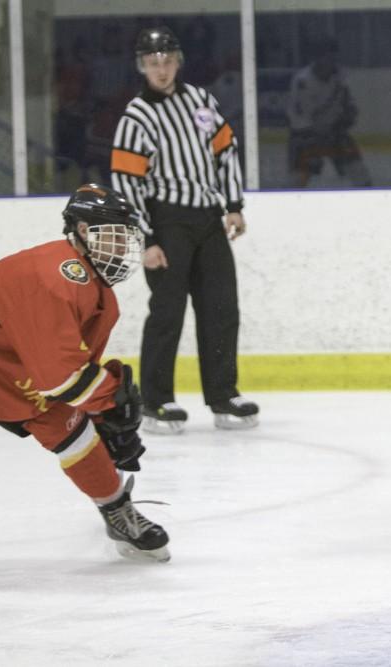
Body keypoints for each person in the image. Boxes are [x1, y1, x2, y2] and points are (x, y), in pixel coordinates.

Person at [0, 184, 170, 563]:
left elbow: (70, 382)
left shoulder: (98, 294)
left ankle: (117, 512)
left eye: (126, 238)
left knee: (73, 429)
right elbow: (62, 378)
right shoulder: (59, 276)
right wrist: (112, 399)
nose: (122, 248)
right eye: (115, 236)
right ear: (83, 231)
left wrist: (101, 412)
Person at [110, 26, 258, 434]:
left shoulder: (200, 101)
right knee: (168, 312)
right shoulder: (136, 116)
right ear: (142, 65)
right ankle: (156, 401)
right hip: (165, 221)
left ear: (178, 62)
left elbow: (225, 151)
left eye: (168, 61)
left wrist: (233, 205)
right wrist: (146, 239)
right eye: (153, 63)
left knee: (221, 307)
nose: (161, 69)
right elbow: (126, 183)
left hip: (208, 220)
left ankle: (223, 394)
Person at [285, 35, 371, 188]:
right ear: (316, 58)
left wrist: (348, 115)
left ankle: (368, 196)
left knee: (358, 169)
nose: (330, 60)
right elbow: (300, 118)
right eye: (326, 55)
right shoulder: (303, 81)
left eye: (333, 55)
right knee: (298, 179)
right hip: (306, 134)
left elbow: (349, 104)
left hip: (333, 132)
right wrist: (315, 138)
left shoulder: (341, 77)